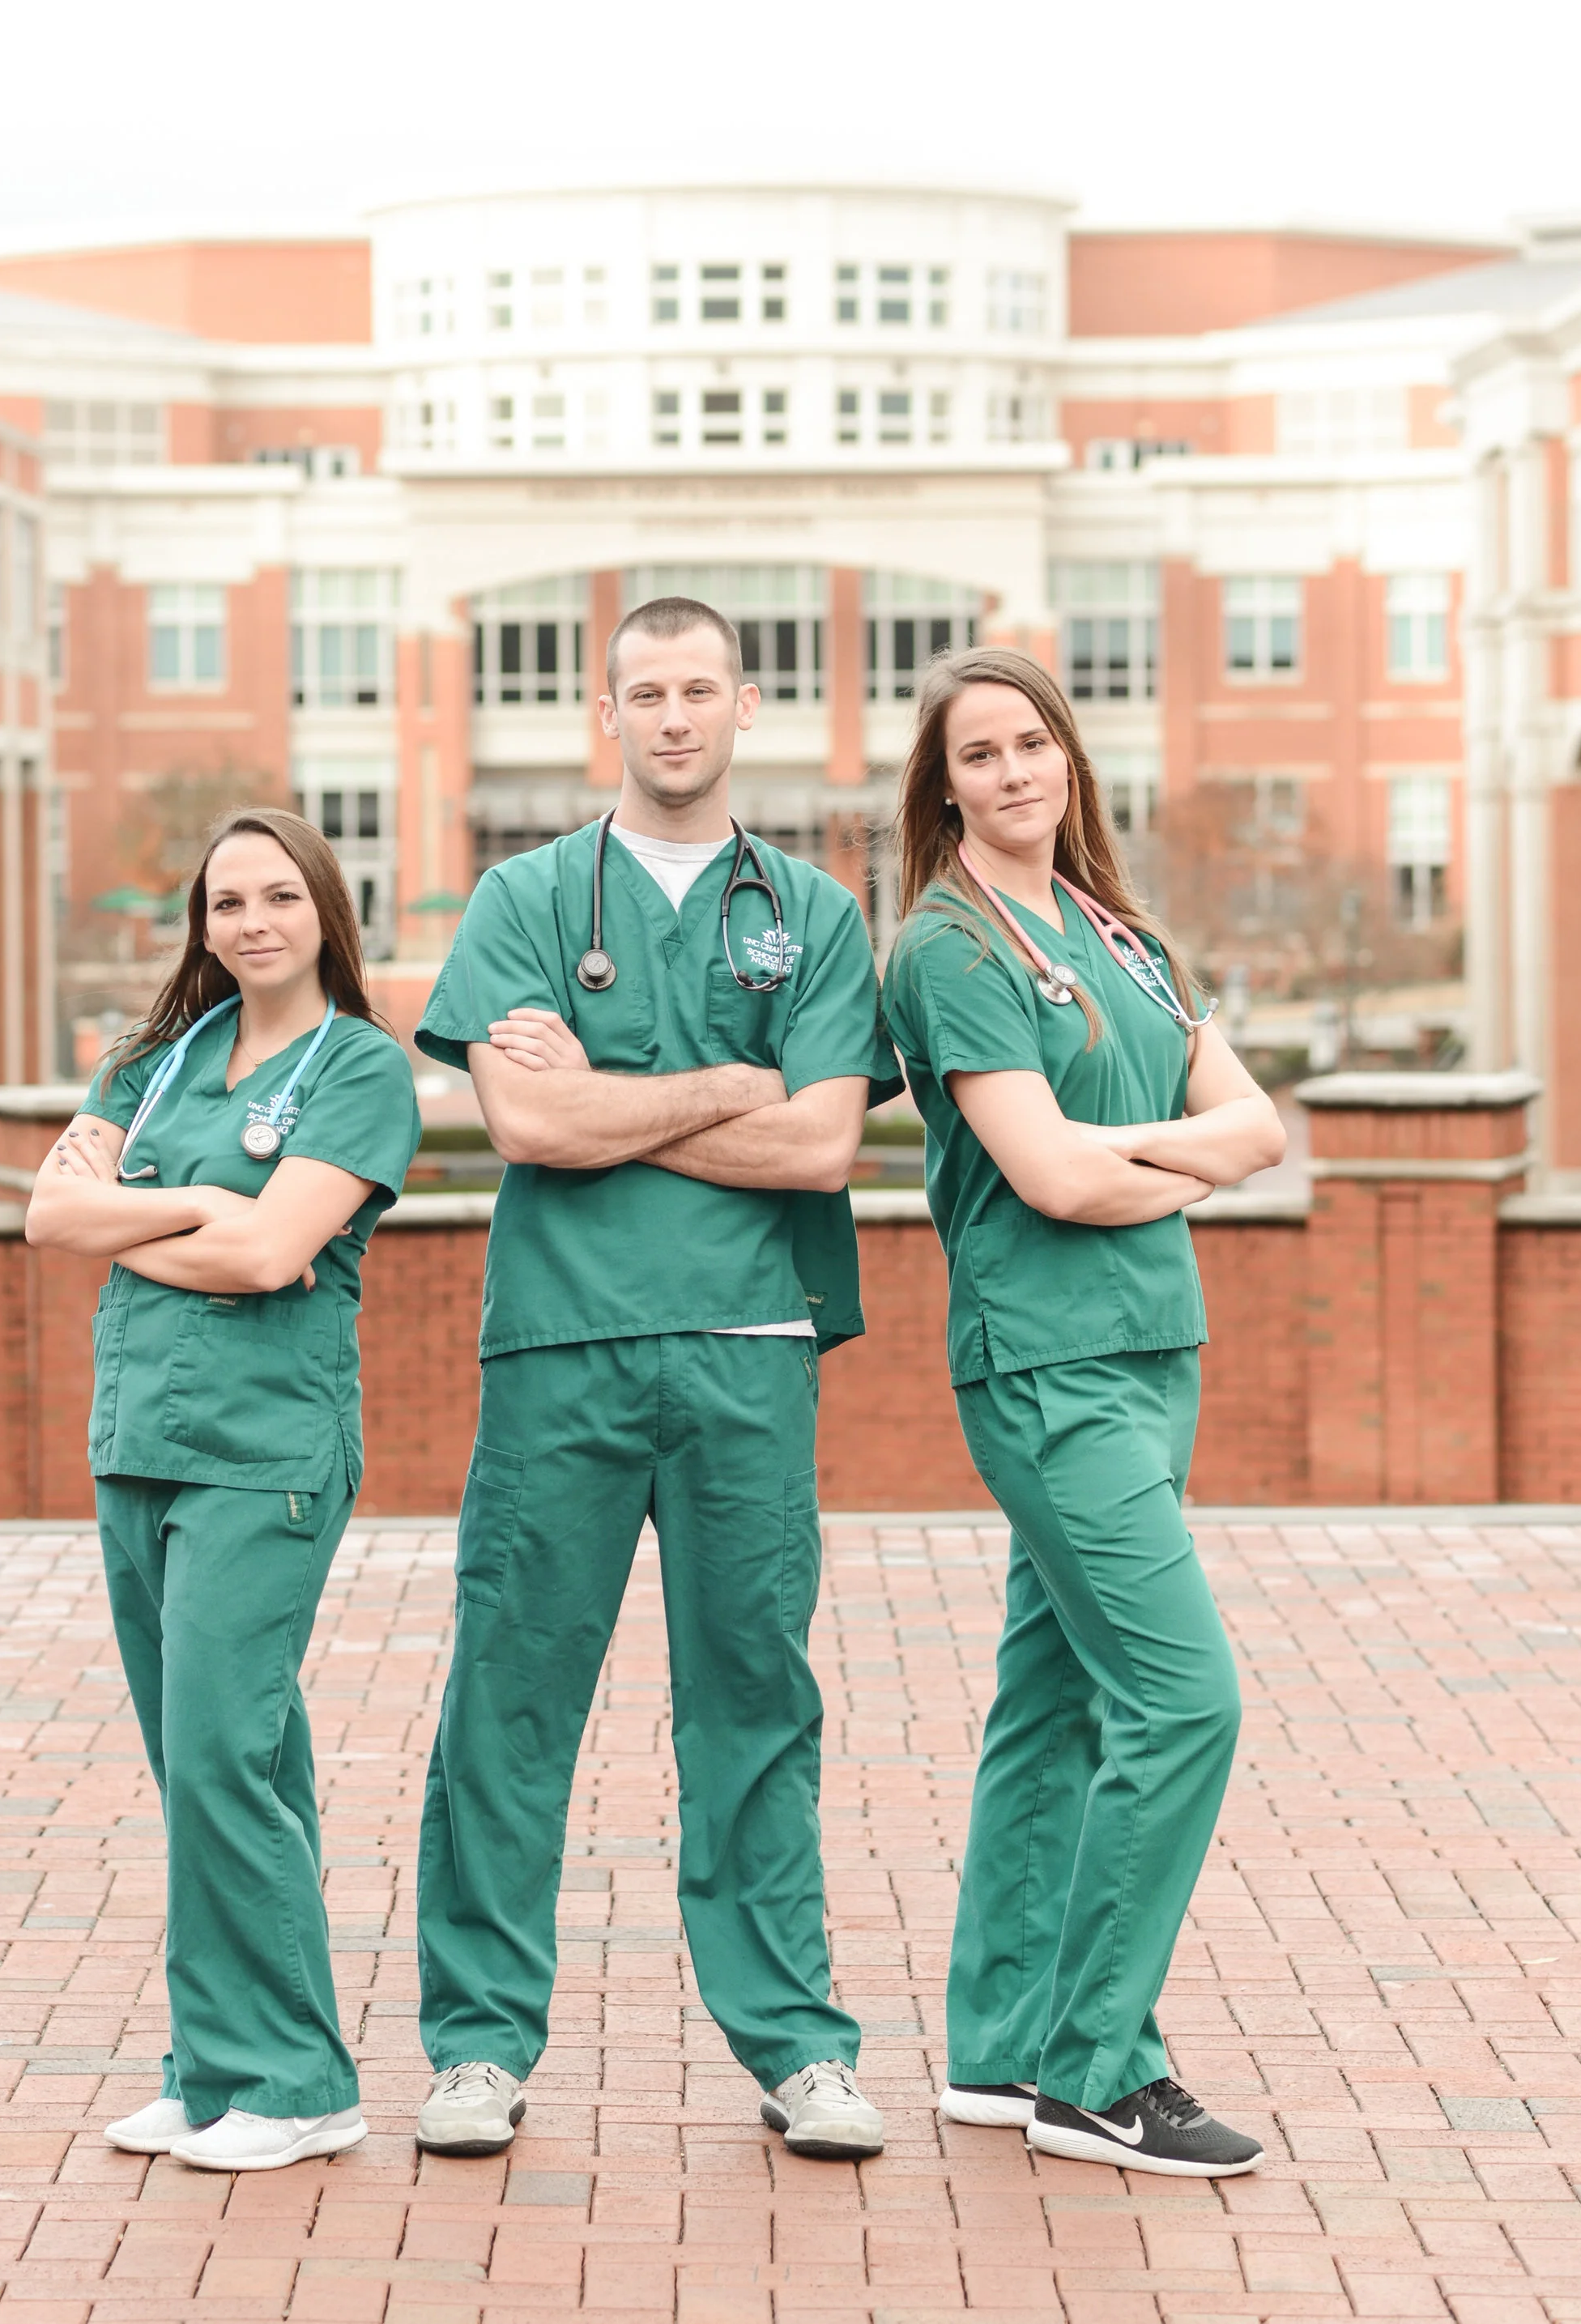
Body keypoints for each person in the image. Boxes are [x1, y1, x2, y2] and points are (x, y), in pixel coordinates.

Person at [408, 594, 900, 2163]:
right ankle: (477, 2047)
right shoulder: (527, 900)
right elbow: (528, 1132)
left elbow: (825, 1141)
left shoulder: (812, 915)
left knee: (753, 1698)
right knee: (509, 1694)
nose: (672, 715)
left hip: (750, 1355)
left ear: (744, 707)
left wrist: (617, 1095)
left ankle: (798, 2048)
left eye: (698, 689)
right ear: (600, 717)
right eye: (643, 693)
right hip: (559, 1350)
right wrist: (722, 1088)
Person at [879, 648, 1285, 2179]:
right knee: (1184, 1702)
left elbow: (1270, 1125)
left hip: (1152, 1351)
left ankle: (998, 2052)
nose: (1011, 773)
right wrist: (1194, 1156)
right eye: (976, 755)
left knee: (1054, 1707)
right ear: (946, 789)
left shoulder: (1122, 935)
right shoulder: (951, 950)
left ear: (1069, 761)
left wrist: (1155, 1155)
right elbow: (1050, 1178)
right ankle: (1099, 2070)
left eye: (1031, 743)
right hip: (1046, 1368)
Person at [26, 808, 420, 2175]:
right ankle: (214, 2072)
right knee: (218, 1768)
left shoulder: (362, 1070)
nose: (251, 924)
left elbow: (272, 1262)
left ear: (324, 909)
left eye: (277, 898)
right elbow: (47, 1217)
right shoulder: (159, 1056)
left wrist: (143, 1216)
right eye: (226, 903)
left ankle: (301, 2082)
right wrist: (204, 1216)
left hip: (265, 1460)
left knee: (219, 1760)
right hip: (136, 1444)